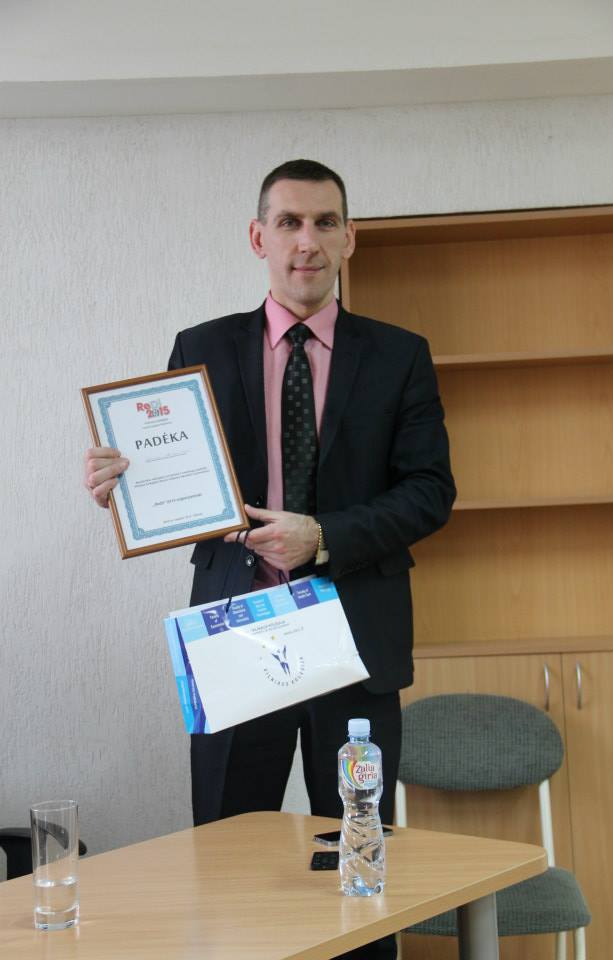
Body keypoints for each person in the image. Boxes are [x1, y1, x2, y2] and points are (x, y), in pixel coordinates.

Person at [84, 159, 455, 960]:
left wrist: (322, 535)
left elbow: (431, 492)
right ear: (259, 237)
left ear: (350, 238)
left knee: (357, 864)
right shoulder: (201, 348)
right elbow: (176, 475)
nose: (306, 241)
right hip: (234, 637)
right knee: (227, 859)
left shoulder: (400, 355)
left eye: (325, 223)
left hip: (355, 639)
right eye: (289, 223)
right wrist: (122, 484)